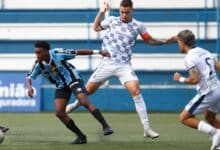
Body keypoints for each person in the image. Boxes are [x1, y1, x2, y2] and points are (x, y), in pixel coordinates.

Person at [66, 0, 176, 139]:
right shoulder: (111, 20)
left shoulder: (138, 25)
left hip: (124, 66)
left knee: (136, 91)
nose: (124, 15)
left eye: (127, 12)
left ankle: (147, 128)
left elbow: (150, 40)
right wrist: (101, 12)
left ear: (132, 11)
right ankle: (75, 104)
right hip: (107, 63)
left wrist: (166, 41)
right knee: (87, 92)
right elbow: (95, 28)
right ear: (119, 11)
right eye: (122, 12)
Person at [26, 41, 113, 144]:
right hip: (61, 86)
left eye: (39, 52)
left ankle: (105, 126)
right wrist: (29, 87)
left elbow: (77, 52)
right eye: (36, 52)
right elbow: (28, 77)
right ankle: (81, 137)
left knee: (83, 101)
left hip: (73, 79)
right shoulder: (38, 64)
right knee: (59, 113)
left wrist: (98, 52)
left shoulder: (58, 53)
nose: (37, 55)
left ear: (46, 51)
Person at [173, 29, 220, 150]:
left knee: (184, 118)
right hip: (217, 88)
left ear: (183, 42)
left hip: (208, 92)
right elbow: (218, 67)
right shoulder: (205, 51)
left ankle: (215, 133)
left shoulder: (189, 58)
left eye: (178, 42)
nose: (178, 45)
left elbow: (194, 79)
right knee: (210, 118)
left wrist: (180, 79)